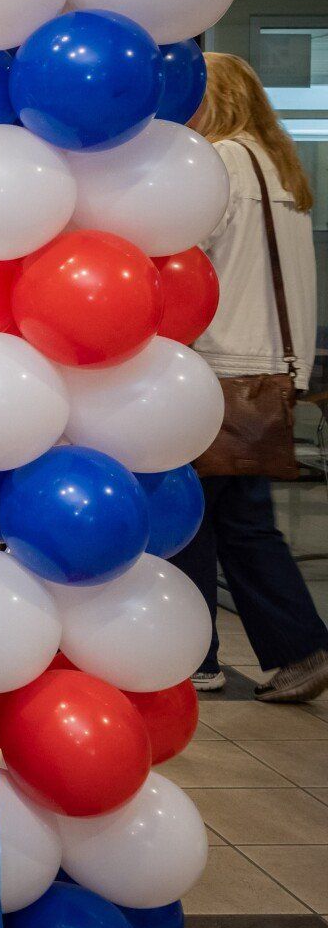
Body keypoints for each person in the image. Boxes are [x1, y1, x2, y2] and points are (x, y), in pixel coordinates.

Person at [171, 53, 328, 703]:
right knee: (237, 517)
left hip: (220, 365)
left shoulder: (219, 164)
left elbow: (188, 257)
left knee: (192, 518)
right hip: (268, 369)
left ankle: (201, 656)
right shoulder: (282, 168)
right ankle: (293, 648)